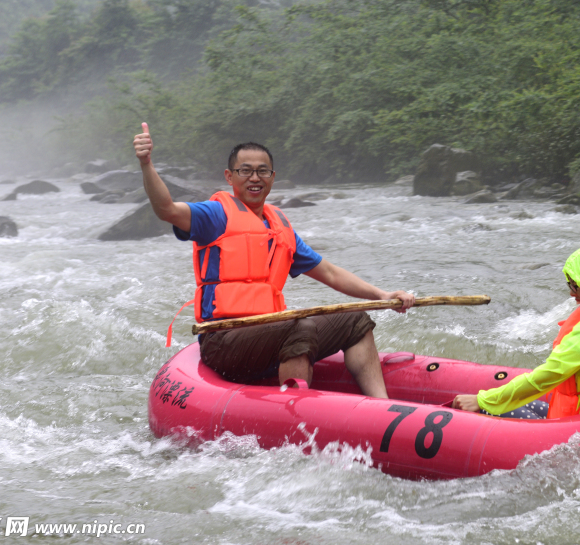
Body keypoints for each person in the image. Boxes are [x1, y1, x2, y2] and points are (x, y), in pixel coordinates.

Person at [133, 123, 415, 397]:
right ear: (230, 177)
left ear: (272, 176)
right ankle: (294, 410)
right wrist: (147, 164)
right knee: (298, 325)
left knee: (354, 321)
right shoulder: (214, 215)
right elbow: (166, 209)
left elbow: (330, 274)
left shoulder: (280, 229)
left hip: (270, 335)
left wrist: (382, 295)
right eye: (245, 171)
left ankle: (384, 406)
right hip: (223, 341)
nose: (255, 178)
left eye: (262, 171)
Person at [452, 242, 580, 419]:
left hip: (577, 426)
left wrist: (483, 401)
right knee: (526, 404)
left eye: (575, 285)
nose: (571, 292)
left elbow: (546, 376)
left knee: (486, 409)